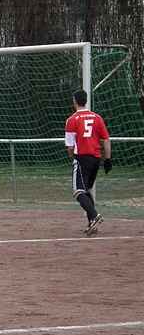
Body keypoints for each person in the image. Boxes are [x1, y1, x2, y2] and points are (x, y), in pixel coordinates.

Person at [64, 90, 111, 236]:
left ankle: (95, 215)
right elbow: (106, 140)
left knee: (78, 191)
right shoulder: (97, 118)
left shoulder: (72, 120)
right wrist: (108, 159)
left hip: (82, 158)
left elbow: (70, 146)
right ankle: (92, 222)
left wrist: (73, 158)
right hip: (96, 159)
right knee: (87, 189)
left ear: (75, 101)